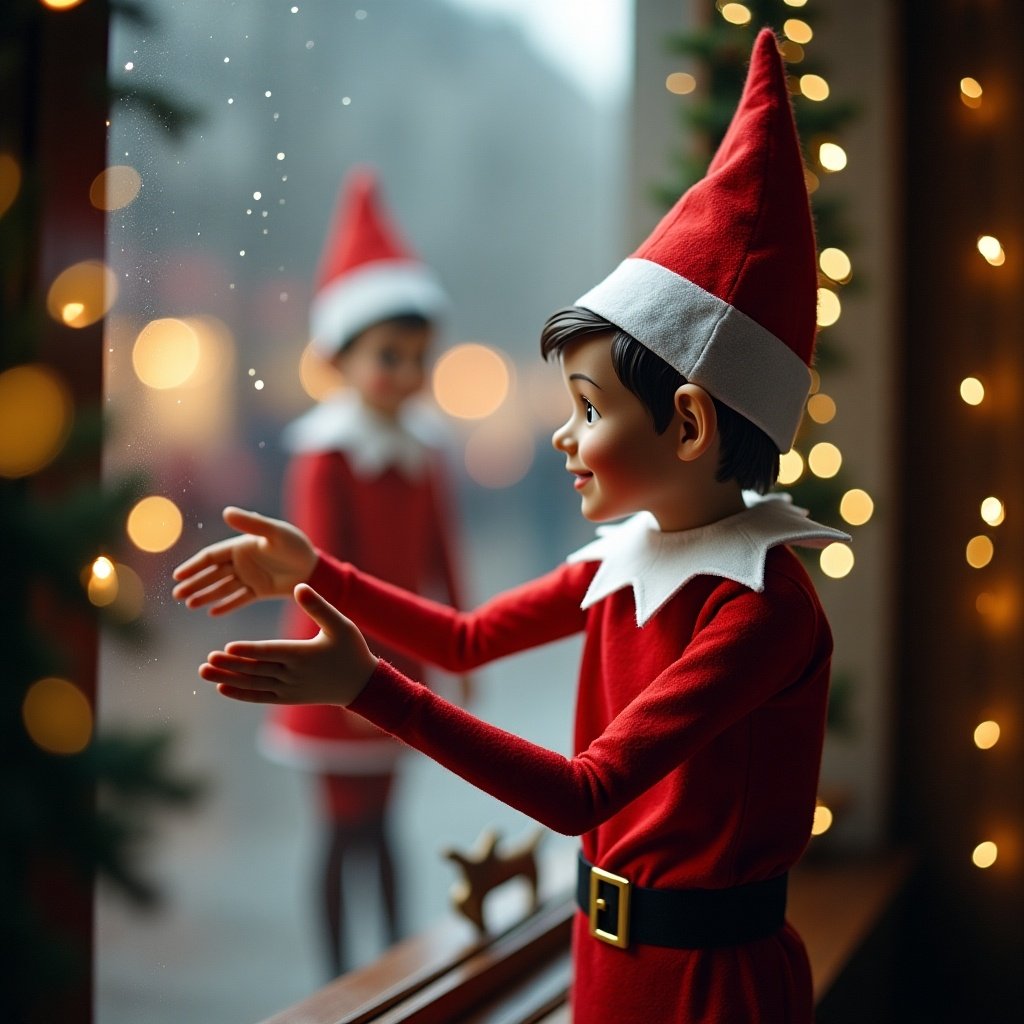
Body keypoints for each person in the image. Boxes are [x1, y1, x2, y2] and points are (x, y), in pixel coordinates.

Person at [173, 30, 851, 1022]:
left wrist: (370, 690)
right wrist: (313, 568)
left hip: (708, 993)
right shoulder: (631, 560)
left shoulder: (759, 611)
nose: (565, 438)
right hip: (607, 965)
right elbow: (467, 636)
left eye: (588, 407)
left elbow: (585, 793)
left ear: (690, 421)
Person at [262, 167, 467, 976]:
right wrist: (339, 674)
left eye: (418, 356)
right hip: (334, 666)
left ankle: (388, 965)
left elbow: (444, 556)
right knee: (343, 829)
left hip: (399, 659)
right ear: (341, 357)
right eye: (389, 354)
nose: (407, 373)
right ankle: (341, 975)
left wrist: (461, 647)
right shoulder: (326, 455)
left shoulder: (422, 452)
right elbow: (312, 576)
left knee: (383, 826)